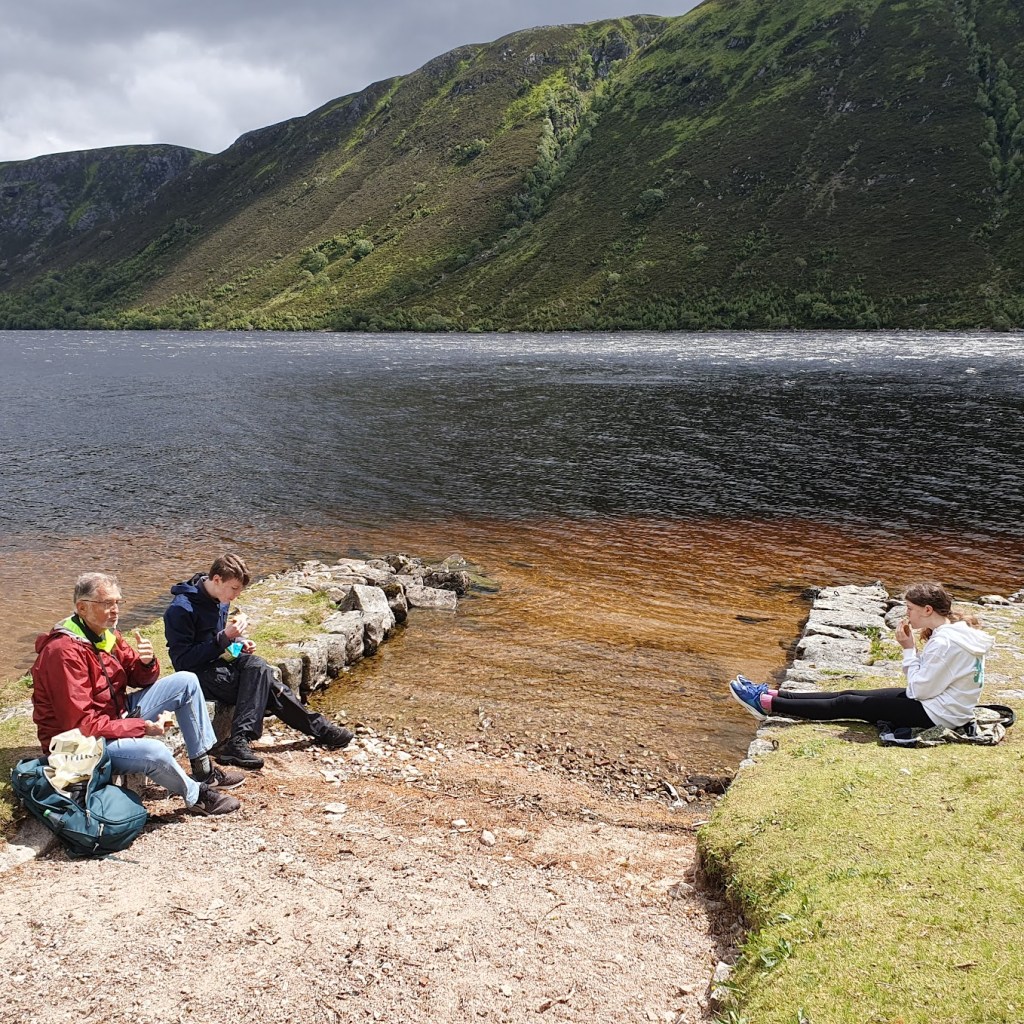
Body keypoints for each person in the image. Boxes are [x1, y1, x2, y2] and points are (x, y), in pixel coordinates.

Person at [31, 572, 243, 816]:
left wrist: (146, 662)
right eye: (107, 604)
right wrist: (142, 727)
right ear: (82, 607)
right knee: (155, 751)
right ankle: (197, 797)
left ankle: (203, 769)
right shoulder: (63, 653)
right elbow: (81, 726)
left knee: (186, 681)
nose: (115, 610)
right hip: (80, 744)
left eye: (117, 603)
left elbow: (139, 679)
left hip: (112, 716)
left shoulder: (105, 633)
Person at [163, 553, 354, 770]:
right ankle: (317, 730)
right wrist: (224, 638)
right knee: (265, 683)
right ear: (216, 580)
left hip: (220, 662)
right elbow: (182, 661)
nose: (237, 595)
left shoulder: (220, 597)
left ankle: (241, 742)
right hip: (197, 673)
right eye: (234, 588)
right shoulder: (181, 609)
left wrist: (239, 641)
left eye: (240, 589)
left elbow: (220, 639)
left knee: (258, 666)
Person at [729, 582, 993, 729]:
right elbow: (927, 683)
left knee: (849, 704)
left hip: (938, 713)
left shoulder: (946, 642)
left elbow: (918, 691)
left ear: (927, 610)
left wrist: (908, 650)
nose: (906, 614)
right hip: (944, 705)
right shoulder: (954, 632)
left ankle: (765, 704)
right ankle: (777, 694)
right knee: (851, 693)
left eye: (910, 609)